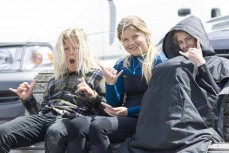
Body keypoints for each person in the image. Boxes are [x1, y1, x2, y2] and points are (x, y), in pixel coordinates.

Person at [117, 15, 229, 153]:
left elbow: (218, 96)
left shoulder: (219, 63)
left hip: (199, 125)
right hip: (171, 127)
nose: (184, 45)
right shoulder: (173, 66)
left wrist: (201, 64)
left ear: (198, 38)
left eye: (188, 39)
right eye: (180, 42)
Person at [67, 15, 167, 153]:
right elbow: (114, 104)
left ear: (146, 34)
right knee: (76, 124)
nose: (131, 43)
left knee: (99, 126)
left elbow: (160, 103)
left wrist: (128, 111)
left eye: (135, 36)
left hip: (147, 120)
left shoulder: (160, 61)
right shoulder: (122, 63)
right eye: (125, 39)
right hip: (124, 118)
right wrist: (109, 83)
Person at [0, 28, 106, 153]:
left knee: (54, 132)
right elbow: (39, 112)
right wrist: (27, 99)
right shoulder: (55, 78)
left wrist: (91, 95)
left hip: (70, 120)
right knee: (2, 132)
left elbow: (105, 113)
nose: (71, 53)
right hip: (44, 118)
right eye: (66, 48)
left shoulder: (96, 75)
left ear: (84, 50)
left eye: (76, 48)